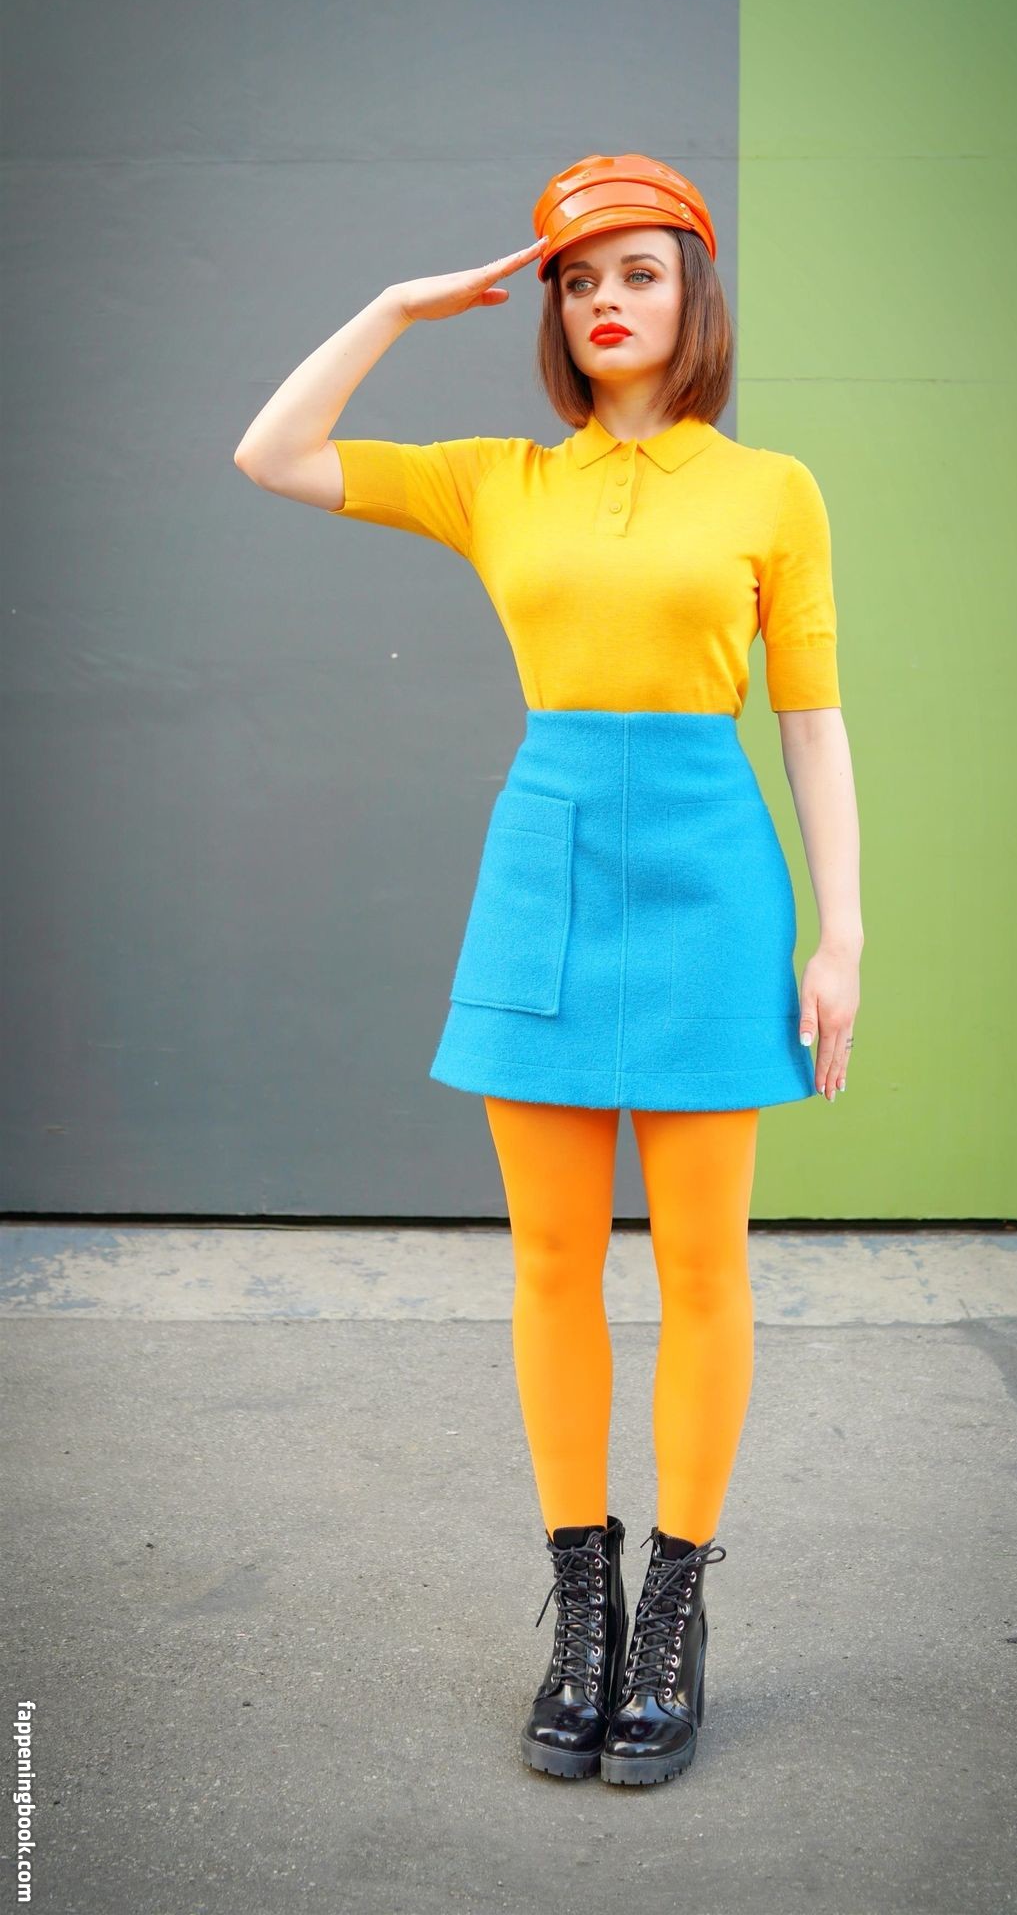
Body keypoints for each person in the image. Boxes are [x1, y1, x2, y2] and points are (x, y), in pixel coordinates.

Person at [233, 152, 864, 1788]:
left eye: (638, 272)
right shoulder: (495, 480)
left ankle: (674, 1616)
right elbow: (272, 451)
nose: (605, 301)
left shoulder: (773, 490)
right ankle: (584, 1615)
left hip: (715, 885)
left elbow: (811, 724)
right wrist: (396, 306)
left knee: (705, 1268)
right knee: (551, 1263)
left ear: (694, 293)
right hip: (545, 878)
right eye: (579, 280)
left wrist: (842, 933)